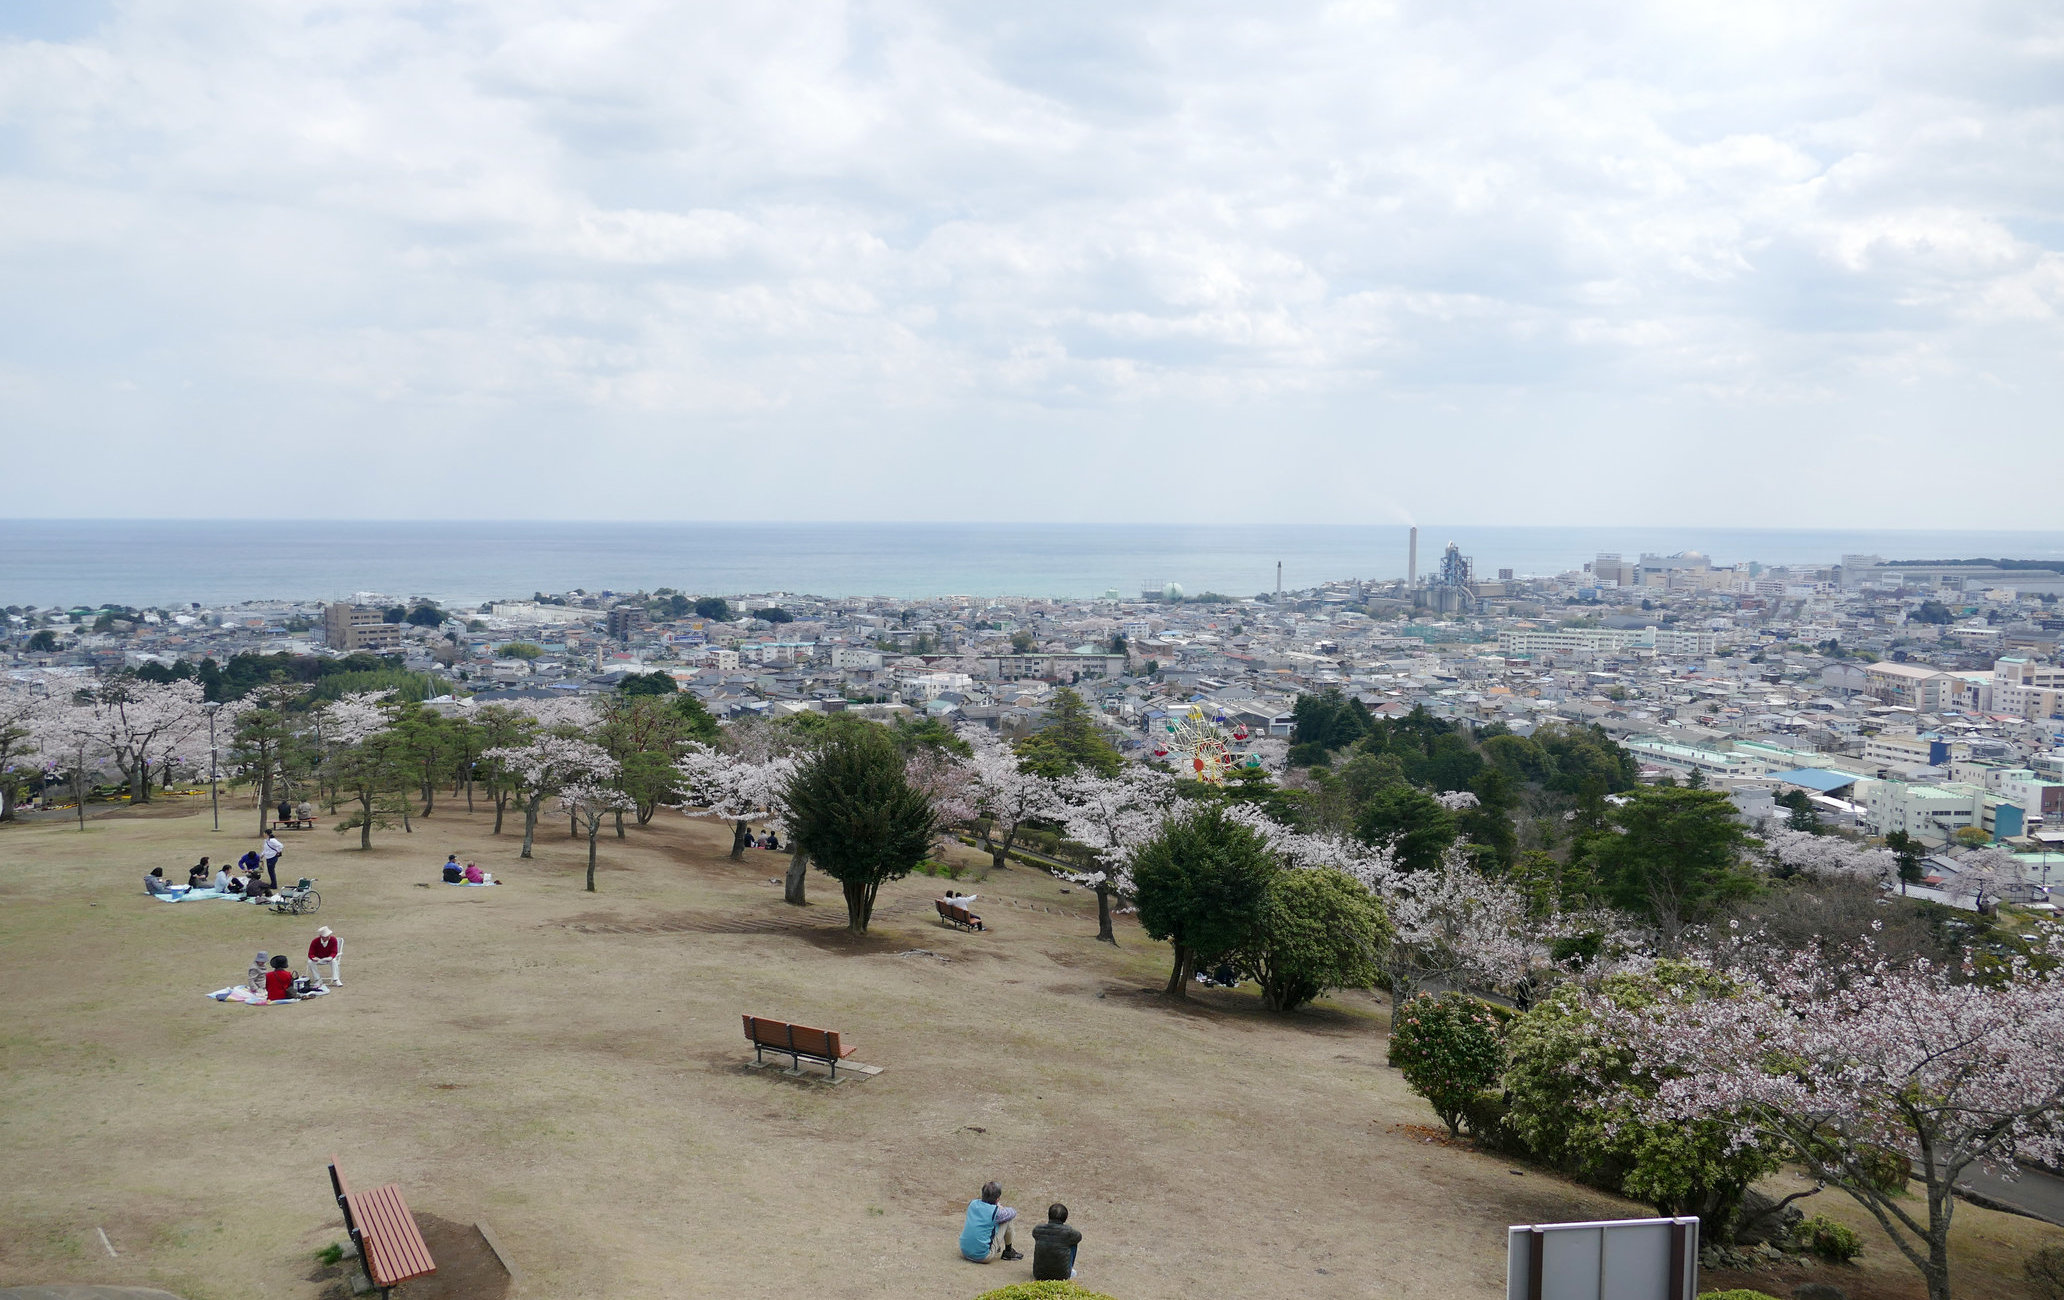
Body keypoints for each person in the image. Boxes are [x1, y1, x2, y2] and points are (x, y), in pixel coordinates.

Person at [959, 1181, 1021, 1263]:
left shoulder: (972, 1203)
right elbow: (1013, 1212)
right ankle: (1008, 1252)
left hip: (965, 1252)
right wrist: (1000, 1207)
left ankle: (995, 1246)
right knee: (1007, 1219)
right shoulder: (996, 1212)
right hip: (983, 1256)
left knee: (990, 1222)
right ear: (997, 1199)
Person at [1031, 1204, 1082, 1282]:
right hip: (1062, 1276)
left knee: (1043, 1242)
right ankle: (1069, 1269)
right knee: (1073, 1243)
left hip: (1039, 1274)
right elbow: (1079, 1237)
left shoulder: (1038, 1229)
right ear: (1065, 1218)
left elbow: (1034, 1234)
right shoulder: (1069, 1232)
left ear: (1049, 1215)